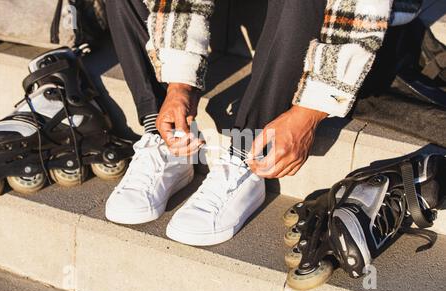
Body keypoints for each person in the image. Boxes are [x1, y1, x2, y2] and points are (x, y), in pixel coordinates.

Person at [104, 0, 423, 246]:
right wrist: (179, 83)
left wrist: (309, 112)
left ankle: (246, 155)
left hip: (361, 26)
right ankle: (166, 134)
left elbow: (359, 13)